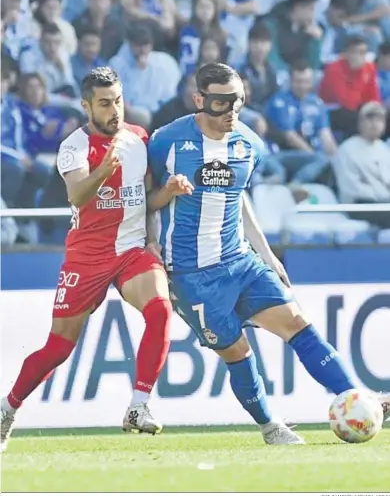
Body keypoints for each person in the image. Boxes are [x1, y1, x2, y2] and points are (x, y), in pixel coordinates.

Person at [147, 63, 390, 445]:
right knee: (237, 351)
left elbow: (237, 197)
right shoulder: (166, 142)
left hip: (240, 260)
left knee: (297, 322)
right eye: (221, 102)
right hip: (192, 273)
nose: (231, 111)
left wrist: (267, 253)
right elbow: (146, 199)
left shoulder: (249, 143)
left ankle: (354, 398)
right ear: (199, 99)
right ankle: (270, 426)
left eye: (238, 102)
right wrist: (151, 243)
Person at [0, 67, 182, 452]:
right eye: (104, 103)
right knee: (59, 348)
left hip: (131, 250)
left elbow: (145, 201)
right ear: (86, 107)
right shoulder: (74, 146)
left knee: (160, 309)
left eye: (117, 100)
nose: (114, 110)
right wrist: (104, 169)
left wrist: (165, 196)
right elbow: (78, 196)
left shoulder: (139, 138)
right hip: (87, 257)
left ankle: (138, 404)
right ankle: (8, 408)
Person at [333, 101, 390, 229]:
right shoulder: (347, 149)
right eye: (370, 119)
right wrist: (384, 197)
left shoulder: (384, 149)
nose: (375, 124)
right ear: (360, 123)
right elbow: (351, 190)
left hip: (384, 203)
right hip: (358, 204)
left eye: (379, 119)